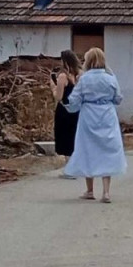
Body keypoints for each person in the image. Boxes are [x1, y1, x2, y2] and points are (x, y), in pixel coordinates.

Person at [62, 48, 127, 203]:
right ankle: (106, 192)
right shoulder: (110, 78)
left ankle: (90, 190)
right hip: (107, 116)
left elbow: (74, 100)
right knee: (108, 150)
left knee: (87, 149)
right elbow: (118, 98)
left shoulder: (84, 79)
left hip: (89, 116)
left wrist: (66, 105)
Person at [51, 50, 82, 179]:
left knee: (64, 136)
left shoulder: (63, 76)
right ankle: (75, 166)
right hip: (76, 109)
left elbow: (58, 96)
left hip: (64, 109)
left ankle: (69, 169)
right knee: (74, 136)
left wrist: (53, 86)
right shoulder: (79, 75)